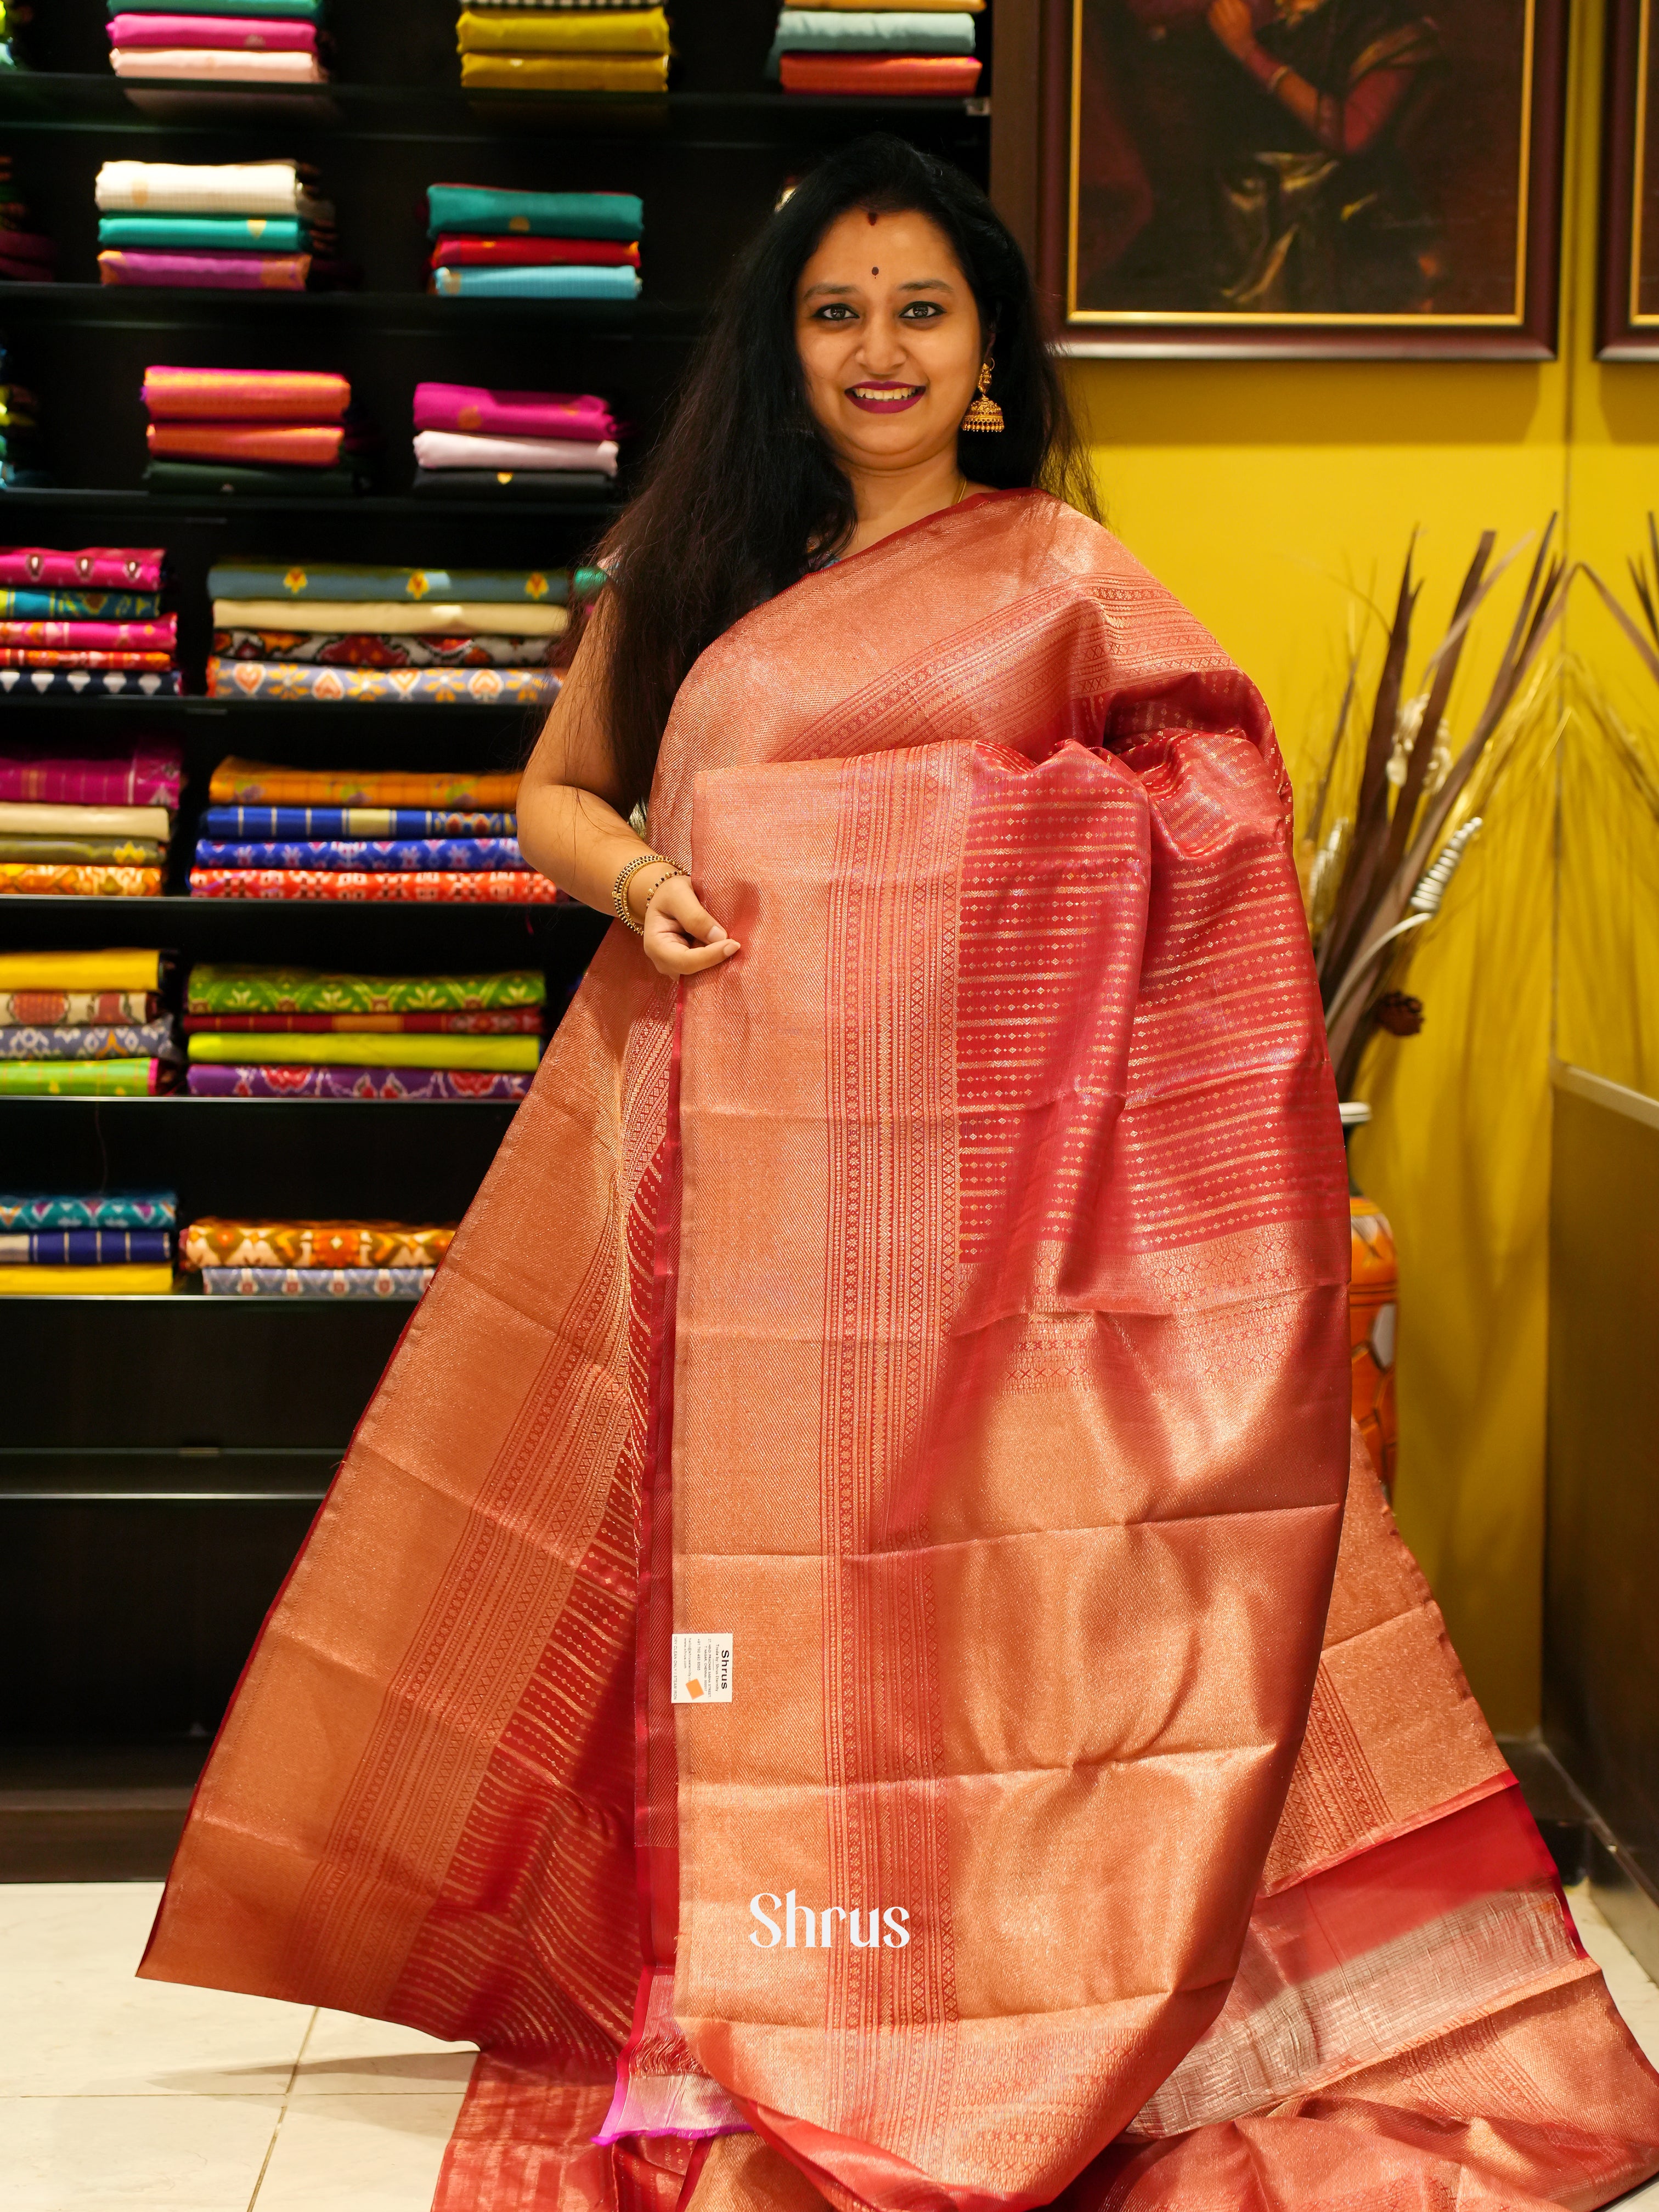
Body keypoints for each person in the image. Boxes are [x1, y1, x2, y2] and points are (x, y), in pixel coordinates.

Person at [140, 137, 1659, 2212]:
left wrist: (957, 859)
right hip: (725, 1198)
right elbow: (554, 801)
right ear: (785, 351)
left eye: (920, 311)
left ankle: (995, 1968)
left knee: (990, 1613)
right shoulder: (692, 572)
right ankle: (738, 1972)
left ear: (989, 359)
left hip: (992, 1237)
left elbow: (1201, 817)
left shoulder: (1056, 580)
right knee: (735, 1618)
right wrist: (659, 876)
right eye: (836, 311)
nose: (879, 350)